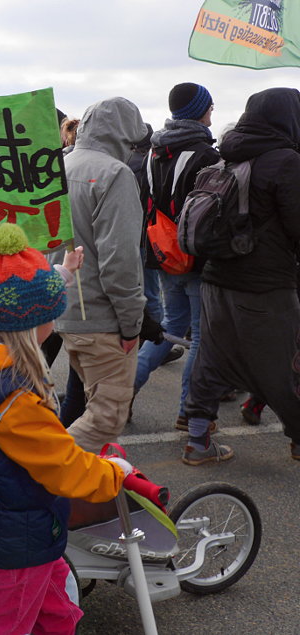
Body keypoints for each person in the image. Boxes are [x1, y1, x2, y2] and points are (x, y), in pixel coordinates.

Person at [0, 222, 130, 635]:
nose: (54, 326)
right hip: (21, 538)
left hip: (14, 523)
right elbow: (61, 464)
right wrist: (113, 475)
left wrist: (65, 271)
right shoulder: (13, 398)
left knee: (56, 613)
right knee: (4, 626)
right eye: (49, 319)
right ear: (29, 326)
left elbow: (24, 298)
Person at [184, 87, 300, 465]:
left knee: (213, 360)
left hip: (217, 277)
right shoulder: (285, 161)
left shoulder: (225, 156)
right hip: (265, 284)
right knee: (284, 366)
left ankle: (198, 441)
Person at [55, 96, 147, 453]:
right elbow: (119, 259)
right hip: (101, 316)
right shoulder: (115, 174)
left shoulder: (62, 165)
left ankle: (72, 493)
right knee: (107, 417)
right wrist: (131, 323)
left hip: (65, 306)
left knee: (84, 405)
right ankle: (43, 473)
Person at [132, 83, 221, 437]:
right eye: (210, 107)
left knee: (169, 327)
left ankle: (124, 394)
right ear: (200, 111)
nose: (212, 113)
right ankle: (188, 411)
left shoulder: (156, 152)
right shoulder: (205, 154)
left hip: (163, 252)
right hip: (196, 257)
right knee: (200, 336)